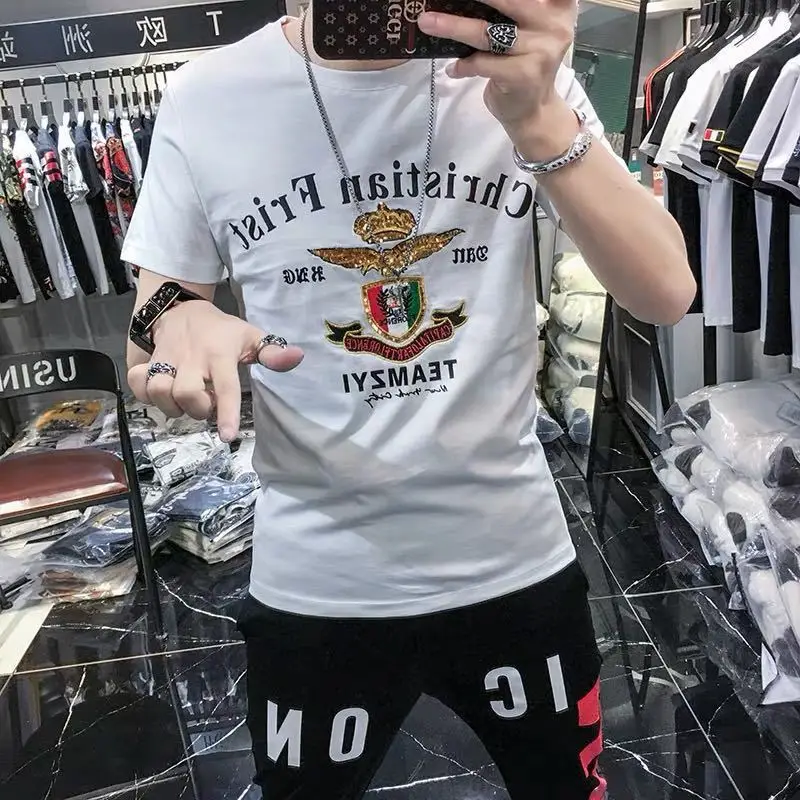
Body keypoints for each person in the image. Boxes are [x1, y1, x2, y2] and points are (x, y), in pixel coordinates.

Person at [124, 1, 694, 797]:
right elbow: (147, 341)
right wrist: (180, 325)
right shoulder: (210, 95)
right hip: (318, 579)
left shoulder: (520, 72)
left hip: (511, 557)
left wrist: (535, 116)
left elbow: (665, 292)